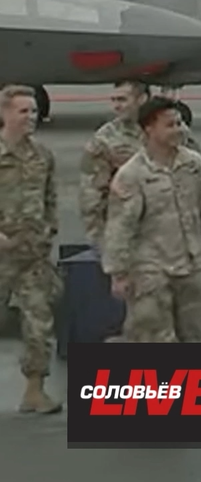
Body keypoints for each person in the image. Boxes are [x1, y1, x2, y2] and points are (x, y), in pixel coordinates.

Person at [101, 96, 201, 342]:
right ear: (149, 129)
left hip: (192, 266)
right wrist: (118, 273)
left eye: (180, 123)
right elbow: (120, 227)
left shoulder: (194, 165)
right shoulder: (132, 174)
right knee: (155, 338)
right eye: (170, 125)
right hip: (151, 270)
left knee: (196, 333)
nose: (178, 130)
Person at [81, 81, 201, 342]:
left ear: (142, 100)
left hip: (174, 238)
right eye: (114, 100)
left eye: (122, 100)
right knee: (146, 317)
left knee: (182, 318)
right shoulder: (105, 139)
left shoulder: (175, 131)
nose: (117, 106)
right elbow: (91, 195)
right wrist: (103, 243)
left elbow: (195, 180)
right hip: (133, 238)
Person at [0, 85, 63, 413]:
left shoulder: (42, 156)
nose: (31, 117)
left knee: (39, 323)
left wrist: (48, 230)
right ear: (5, 114)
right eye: (23, 111)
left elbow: (50, 198)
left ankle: (35, 391)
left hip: (33, 256)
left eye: (35, 111)